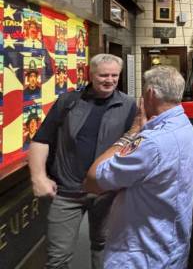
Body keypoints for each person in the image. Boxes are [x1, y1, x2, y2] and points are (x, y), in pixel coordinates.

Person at [28, 54, 137, 269]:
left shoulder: (128, 105)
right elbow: (41, 140)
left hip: (106, 193)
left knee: (104, 248)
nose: (109, 80)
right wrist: (38, 177)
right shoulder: (69, 102)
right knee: (57, 258)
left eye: (114, 75)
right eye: (103, 75)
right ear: (91, 74)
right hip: (66, 192)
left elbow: (133, 144)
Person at [85, 66, 193, 268]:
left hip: (141, 257)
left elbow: (93, 179)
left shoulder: (152, 142)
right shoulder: (183, 125)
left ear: (150, 93)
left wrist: (133, 131)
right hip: (170, 249)